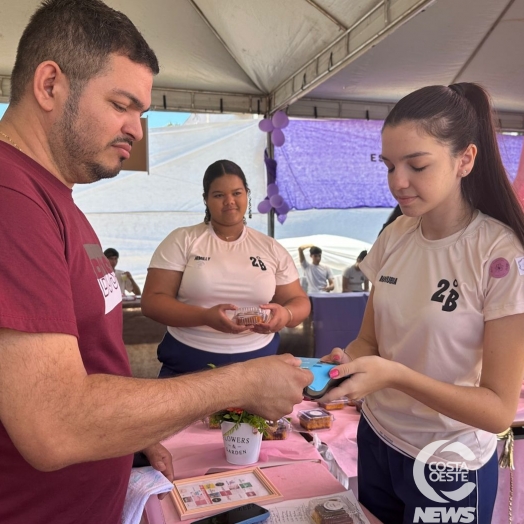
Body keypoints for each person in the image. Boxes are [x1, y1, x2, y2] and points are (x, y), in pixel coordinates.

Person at [0, 2, 313, 524]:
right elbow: (54, 425)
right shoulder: (12, 198)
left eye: (141, 114)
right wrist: (241, 383)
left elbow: (83, 368)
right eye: (123, 105)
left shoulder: (53, 198)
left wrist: (130, 441)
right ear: (50, 84)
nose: (136, 131)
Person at [320, 83, 524, 524]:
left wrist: (394, 375)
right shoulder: (395, 235)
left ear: (465, 159)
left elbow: (497, 411)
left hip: (447, 461)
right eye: (389, 165)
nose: (398, 182)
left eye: (416, 165)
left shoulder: (499, 254)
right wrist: (341, 366)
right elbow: (368, 340)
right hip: (376, 438)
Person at [141, 159, 311, 377]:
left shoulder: (270, 248)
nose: (229, 201)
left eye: (237, 193)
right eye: (219, 195)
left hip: (257, 366)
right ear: (206, 200)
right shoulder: (182, 240)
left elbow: (299, 301)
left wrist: (286, 315)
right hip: (189, 366)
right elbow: (152, 301)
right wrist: (205, 317)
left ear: (247, 195)